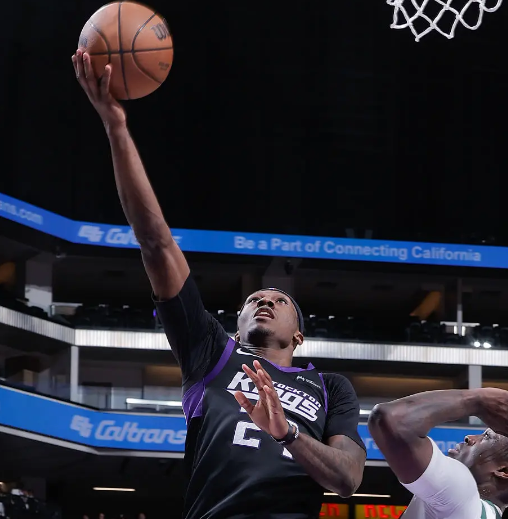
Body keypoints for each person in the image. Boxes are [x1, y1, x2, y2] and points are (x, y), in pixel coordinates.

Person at [72, 50, 367, 519]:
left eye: (279, 300)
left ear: (299, 336)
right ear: (237, 324)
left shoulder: (329, 387)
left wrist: (286, 432)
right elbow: (155, 242)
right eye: (254, 299)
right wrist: (116, 127)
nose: (264, 300)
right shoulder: (212, 353)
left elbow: (348, 479)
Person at [367, 388, 508, 519]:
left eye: (486, 437)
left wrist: (477, 401)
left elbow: (392, 419)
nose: (469, 438)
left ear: (504, 471)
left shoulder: (462, 494)